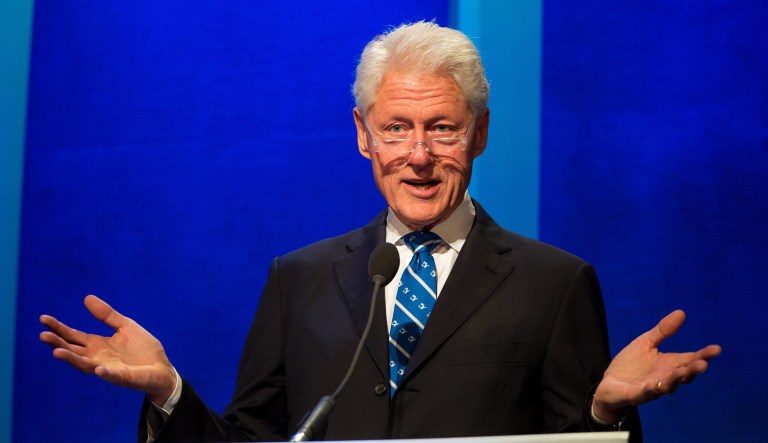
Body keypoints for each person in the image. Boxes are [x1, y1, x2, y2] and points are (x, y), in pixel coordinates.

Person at [39, 22, 721, 443]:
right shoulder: (297, 277)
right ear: (364, 135)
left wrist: (605, 413)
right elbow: (251, 439)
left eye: (442, 128)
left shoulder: (556, 283)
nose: (418, 154)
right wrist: (169, 392)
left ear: (479, 133)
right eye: (396, 127)